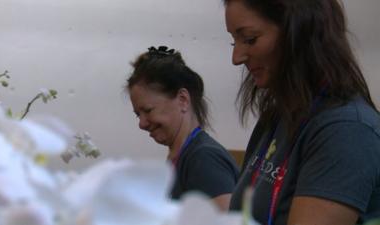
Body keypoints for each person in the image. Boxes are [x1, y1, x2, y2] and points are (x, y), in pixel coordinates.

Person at [223, 0, 380, 224]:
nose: (236, 57)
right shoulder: (278, 116)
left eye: (250, 39)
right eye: (233, 42)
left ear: (299, 32)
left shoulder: (347, 130)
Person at [126, 46, 239, 211]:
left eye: (148, 110)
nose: (141, 124)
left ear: (183, 100)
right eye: (138, 114)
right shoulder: (182, 156)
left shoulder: (204, 159)